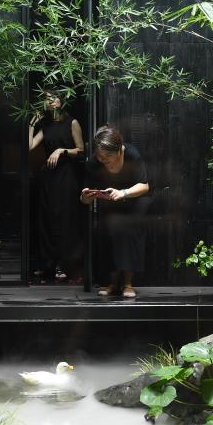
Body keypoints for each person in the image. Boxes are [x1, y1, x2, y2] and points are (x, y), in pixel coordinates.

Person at [81, 125, 150, 298]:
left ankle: (127, 284)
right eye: (100, 156)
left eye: (108, 156)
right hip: (109, 200)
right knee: (107, 234)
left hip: (133, 198)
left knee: (130, 233)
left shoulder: (132, 154)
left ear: (119, 150)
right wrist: (86, 197)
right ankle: (111, 283)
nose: (103, 159)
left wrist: (123, 193)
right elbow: (85, 197)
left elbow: (144, 185)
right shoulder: (93, 163)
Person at [29, 90, 84, 282]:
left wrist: (61, 150)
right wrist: (32, 124)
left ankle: (66, 265)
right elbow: (30, 146)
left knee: (65, 218)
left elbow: (81, 150)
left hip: (66, 176)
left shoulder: (72, 122)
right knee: (47, 218)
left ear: (62, 100)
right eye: (46, 99)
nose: (50, 101)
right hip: (48, 177)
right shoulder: (45, 124)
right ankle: (48, 265)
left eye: (53, 97)